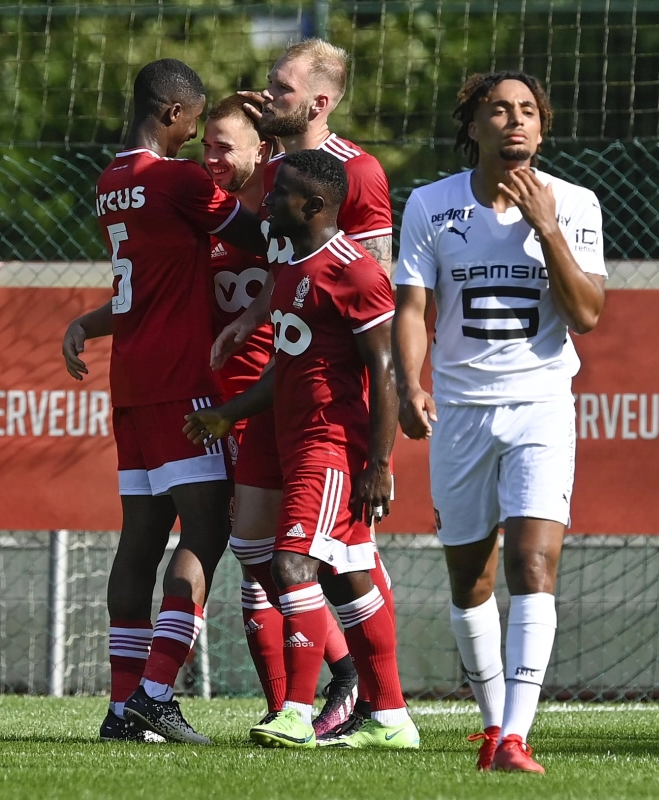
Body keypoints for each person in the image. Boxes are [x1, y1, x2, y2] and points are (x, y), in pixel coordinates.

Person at [393, 71, 607, 773]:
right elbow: (414, 311)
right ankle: (492, 728)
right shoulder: (430, 205)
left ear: (541, 130)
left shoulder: (574, 205)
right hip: (458, 411)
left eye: (527, 112)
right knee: (471, 582)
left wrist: (545, 228)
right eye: (499, 110)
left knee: (533, 564)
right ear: (474, 127)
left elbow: (587, 314)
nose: (515, 121)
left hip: (542, 402)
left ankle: (516, 735)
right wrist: (409, 383)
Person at [184, 149, 419, 750]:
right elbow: (285, 371)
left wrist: (378, 465)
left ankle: (295, 710)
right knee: (348, 578)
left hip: (332, 445)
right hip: (291, 440)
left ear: (313, 205)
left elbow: (384, 371)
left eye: (279, 193)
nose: (265, 203)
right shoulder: (292, 270)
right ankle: (390, 717)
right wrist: (227, 416)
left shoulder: (358, 273)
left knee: (294, 566)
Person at [61, 58, 264, 745]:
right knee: (206, 532)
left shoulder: (111, 180)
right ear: (175, 113)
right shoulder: (175, 180)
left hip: (132, 383)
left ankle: (121, 710)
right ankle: (156, 693)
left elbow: (140, 288)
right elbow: (259, 233)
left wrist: (89, 322)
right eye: (198, 121)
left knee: (140, 541)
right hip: (182, 379)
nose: (200, 138)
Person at [210, 37, 396, 738]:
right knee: (256, 547)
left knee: (345, 555)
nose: (265, 95)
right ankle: (328, 682)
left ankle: (370, 699)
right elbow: (292, 266)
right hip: (276, 383)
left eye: (280, 89)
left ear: (320, 102)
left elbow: (372, 288)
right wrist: (253, 317)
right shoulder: (282, 168)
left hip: (330, 401)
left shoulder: (358, 172)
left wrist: (383, 418)